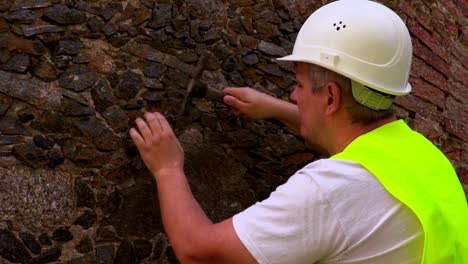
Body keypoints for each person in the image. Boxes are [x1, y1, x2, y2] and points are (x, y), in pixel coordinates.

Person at [130, 0, 468, 263]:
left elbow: (199, 253)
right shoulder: (423, 154)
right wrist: (276, 109)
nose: (292, 95)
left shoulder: (329, 191)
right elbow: (357, 144)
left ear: (332, 97)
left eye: (299, 84)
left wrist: (167, 168)